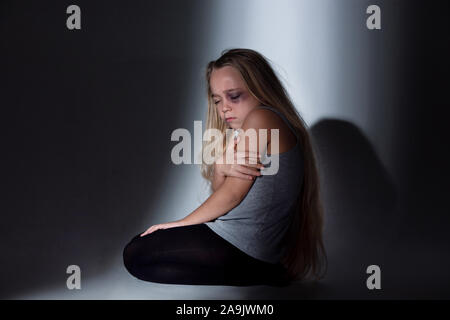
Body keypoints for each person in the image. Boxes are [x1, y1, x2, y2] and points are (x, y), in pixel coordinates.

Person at [123, 48, 327, 286]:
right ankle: (265, 274)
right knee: (141, 264)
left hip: (241, 245)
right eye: (217, 100)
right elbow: (226, 196)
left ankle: (261, 272)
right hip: (251, 251)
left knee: (136, 251)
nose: (224, 108)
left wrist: (177, 224)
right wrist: (220, 168)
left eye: (234, 96)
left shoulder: (262, 117)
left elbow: (231, 196)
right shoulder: (250, 129)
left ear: (260, 90)